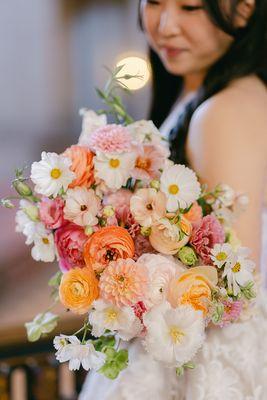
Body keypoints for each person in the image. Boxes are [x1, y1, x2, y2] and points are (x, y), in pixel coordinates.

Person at [79, 1, 267, 398]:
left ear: (245, 9)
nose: (165, 26)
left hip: (197, 356)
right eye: (155, 3)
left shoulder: (225, 111)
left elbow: (234, 286)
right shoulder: (199, 90)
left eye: (190, 7)